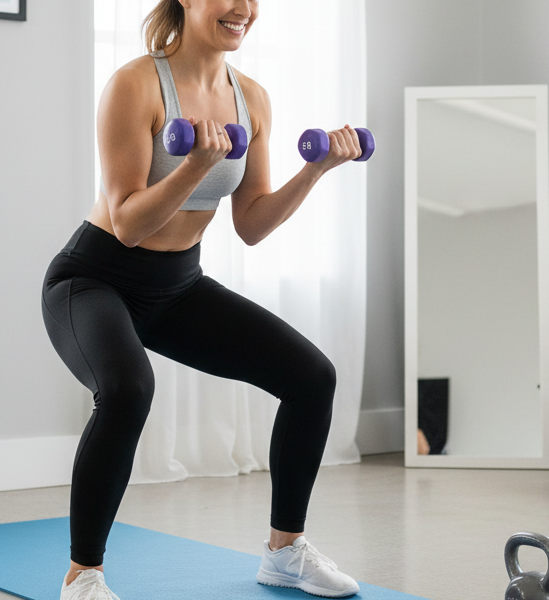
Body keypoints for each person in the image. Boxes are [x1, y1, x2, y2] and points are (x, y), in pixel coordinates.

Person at [42, 1, 365, 598]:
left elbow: (252, 223)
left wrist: (315, 170)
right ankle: (83, 576)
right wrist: (194, 165)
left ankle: (285, 554)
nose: (242, 9)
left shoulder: (252, 99)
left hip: (178, 287)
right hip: (93, 279)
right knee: (127, 389)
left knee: (312, 377)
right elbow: (128, 222)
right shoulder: (135, 85)